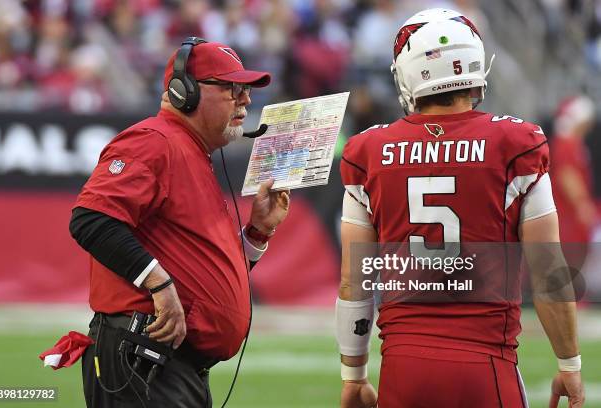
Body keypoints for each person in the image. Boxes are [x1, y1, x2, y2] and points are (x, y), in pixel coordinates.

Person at [336, 8, 584, 408]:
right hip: (486, 366)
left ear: (407, 73)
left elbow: (355, 281)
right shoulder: (516, 142)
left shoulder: (367, 151)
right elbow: (550, 272)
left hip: (404, 368)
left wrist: (353, 375)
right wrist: (569, 363)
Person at [69, 37, 290, 408]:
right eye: (233, 88)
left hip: (172, 366)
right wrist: (159, 285)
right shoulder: (153, 141)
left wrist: (258, 232)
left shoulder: (192, 152)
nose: (246, 100)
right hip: (143, 359)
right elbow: (91, 219)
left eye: (246, 90)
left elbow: (205, 272)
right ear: (184, 92)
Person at [550, 95, 597, 268]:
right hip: (567, 217)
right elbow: (567, 175)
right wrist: (582, 204)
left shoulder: (571, 144)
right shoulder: (566, 144)